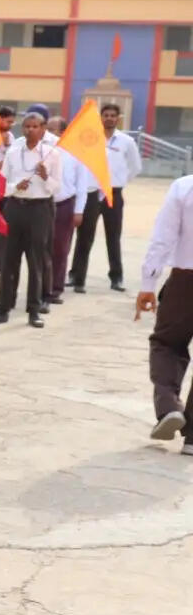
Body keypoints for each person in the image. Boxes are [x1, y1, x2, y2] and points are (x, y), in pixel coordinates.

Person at [137, 173, 193, 453]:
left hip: (185, 279)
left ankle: (169, 405)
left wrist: (148, 284)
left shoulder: (184, 187)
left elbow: (162, 238)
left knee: (167, 343)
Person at [0, 110, 62, 327]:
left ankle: (34, 310)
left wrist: (45, 176)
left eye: (35, 126)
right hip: (15, 207)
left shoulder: (52, 154)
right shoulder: (13, 152)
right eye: (27, 126)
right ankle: (3, 308)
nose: (30, 130)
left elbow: (56, 188)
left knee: (36, 261)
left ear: (43, 130)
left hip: (39, 210)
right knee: (8, 260)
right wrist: (15, 187)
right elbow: (2, 184)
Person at [72, 101, 142, 293]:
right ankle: (76, 275)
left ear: (118, 118)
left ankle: (116, 277)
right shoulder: (91, 138)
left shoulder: (126, 141)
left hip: (114, 194)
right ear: (100, 118)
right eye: (106, 115)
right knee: (84, 236)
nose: (109, 118)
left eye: (113, 116)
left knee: (113, 236)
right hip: (92, 194)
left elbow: (135, 167)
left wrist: (120, 181)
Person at [44, 122, 89, 309]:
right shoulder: (41, 150)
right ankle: (41, 289)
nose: (50, 133)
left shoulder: (75, 153)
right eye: (48, 129)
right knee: (41, 249)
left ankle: (55, 289)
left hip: (65, 205)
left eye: (54, 130)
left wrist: (79, 210)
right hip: (42, 204)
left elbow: (82, 185)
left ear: (64, 132)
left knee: (60, 249)